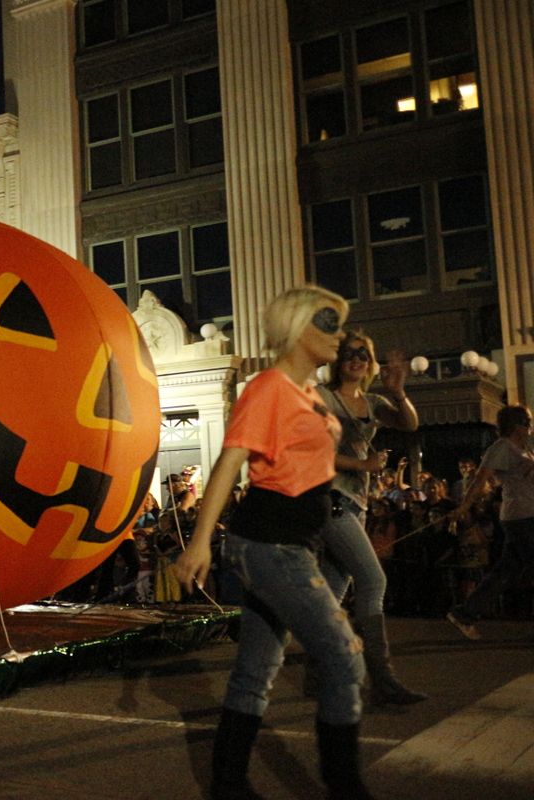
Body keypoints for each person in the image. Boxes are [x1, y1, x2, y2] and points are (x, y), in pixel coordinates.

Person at [174, 286, 373, 800]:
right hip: (269, 544)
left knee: (256, 669)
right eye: (327, 323)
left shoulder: (310, 394)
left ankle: (227, 784)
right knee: (345, 655)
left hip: (294, 542)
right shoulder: (268, 388)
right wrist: (197, 545)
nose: (339, 335)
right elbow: (228, 464)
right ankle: (344, 787)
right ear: (298, 326)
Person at [312, 332, 426, 705]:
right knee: (373, 580)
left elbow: (409, 424)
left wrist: (399, 391)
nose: (357, 359)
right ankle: (383, 679)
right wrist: (363, 464)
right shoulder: (325, 398)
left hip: (355, 503)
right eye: (349, 354)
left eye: (363, 354)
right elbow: (315, 452)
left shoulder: (372, 401)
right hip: (330, 499)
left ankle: (323, 672)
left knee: (332, 592)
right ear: (338, 360)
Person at [447, 405, 534, 640]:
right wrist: (464, 507)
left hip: (526, 514)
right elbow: (480, 479)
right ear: (518, 425)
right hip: (521, 517)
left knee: (505, 572)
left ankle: (465, 614)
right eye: (528, 422)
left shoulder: (525, 448)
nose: (531, 427)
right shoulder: (502, 447)